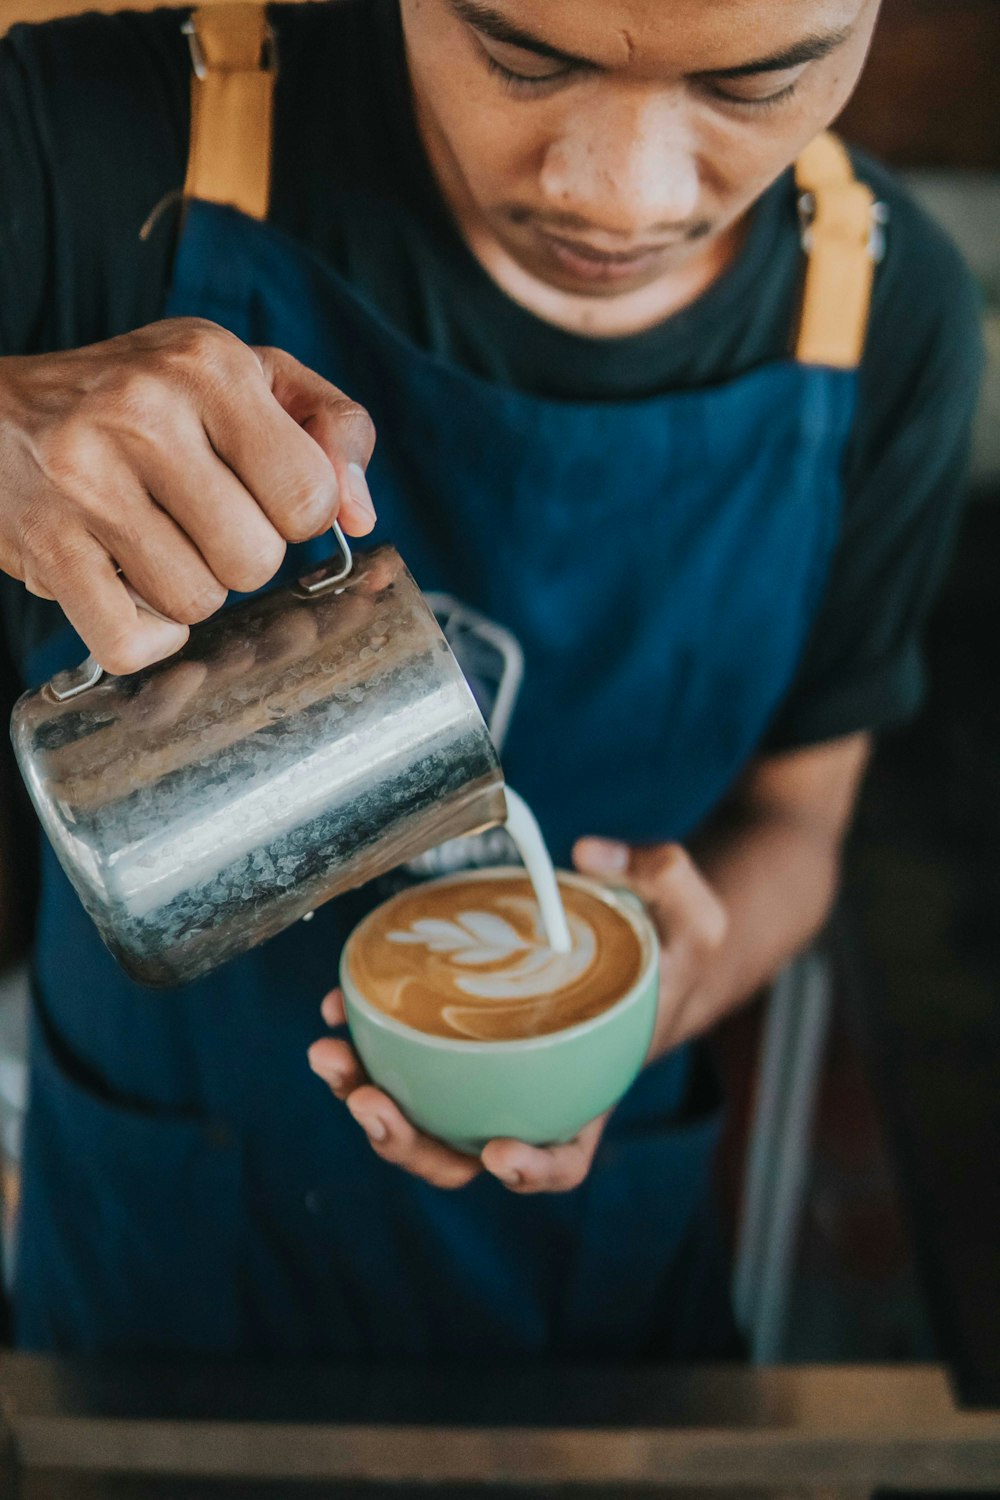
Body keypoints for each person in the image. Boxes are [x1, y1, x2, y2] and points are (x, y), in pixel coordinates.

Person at [0, 0, 982, 1358]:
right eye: (526, 58)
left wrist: (686, 977)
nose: (619, 194)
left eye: (758, 82)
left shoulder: (891, 312)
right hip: (157, 1267)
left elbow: (801, 824)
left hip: (595, 1291)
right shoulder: (97, 138)